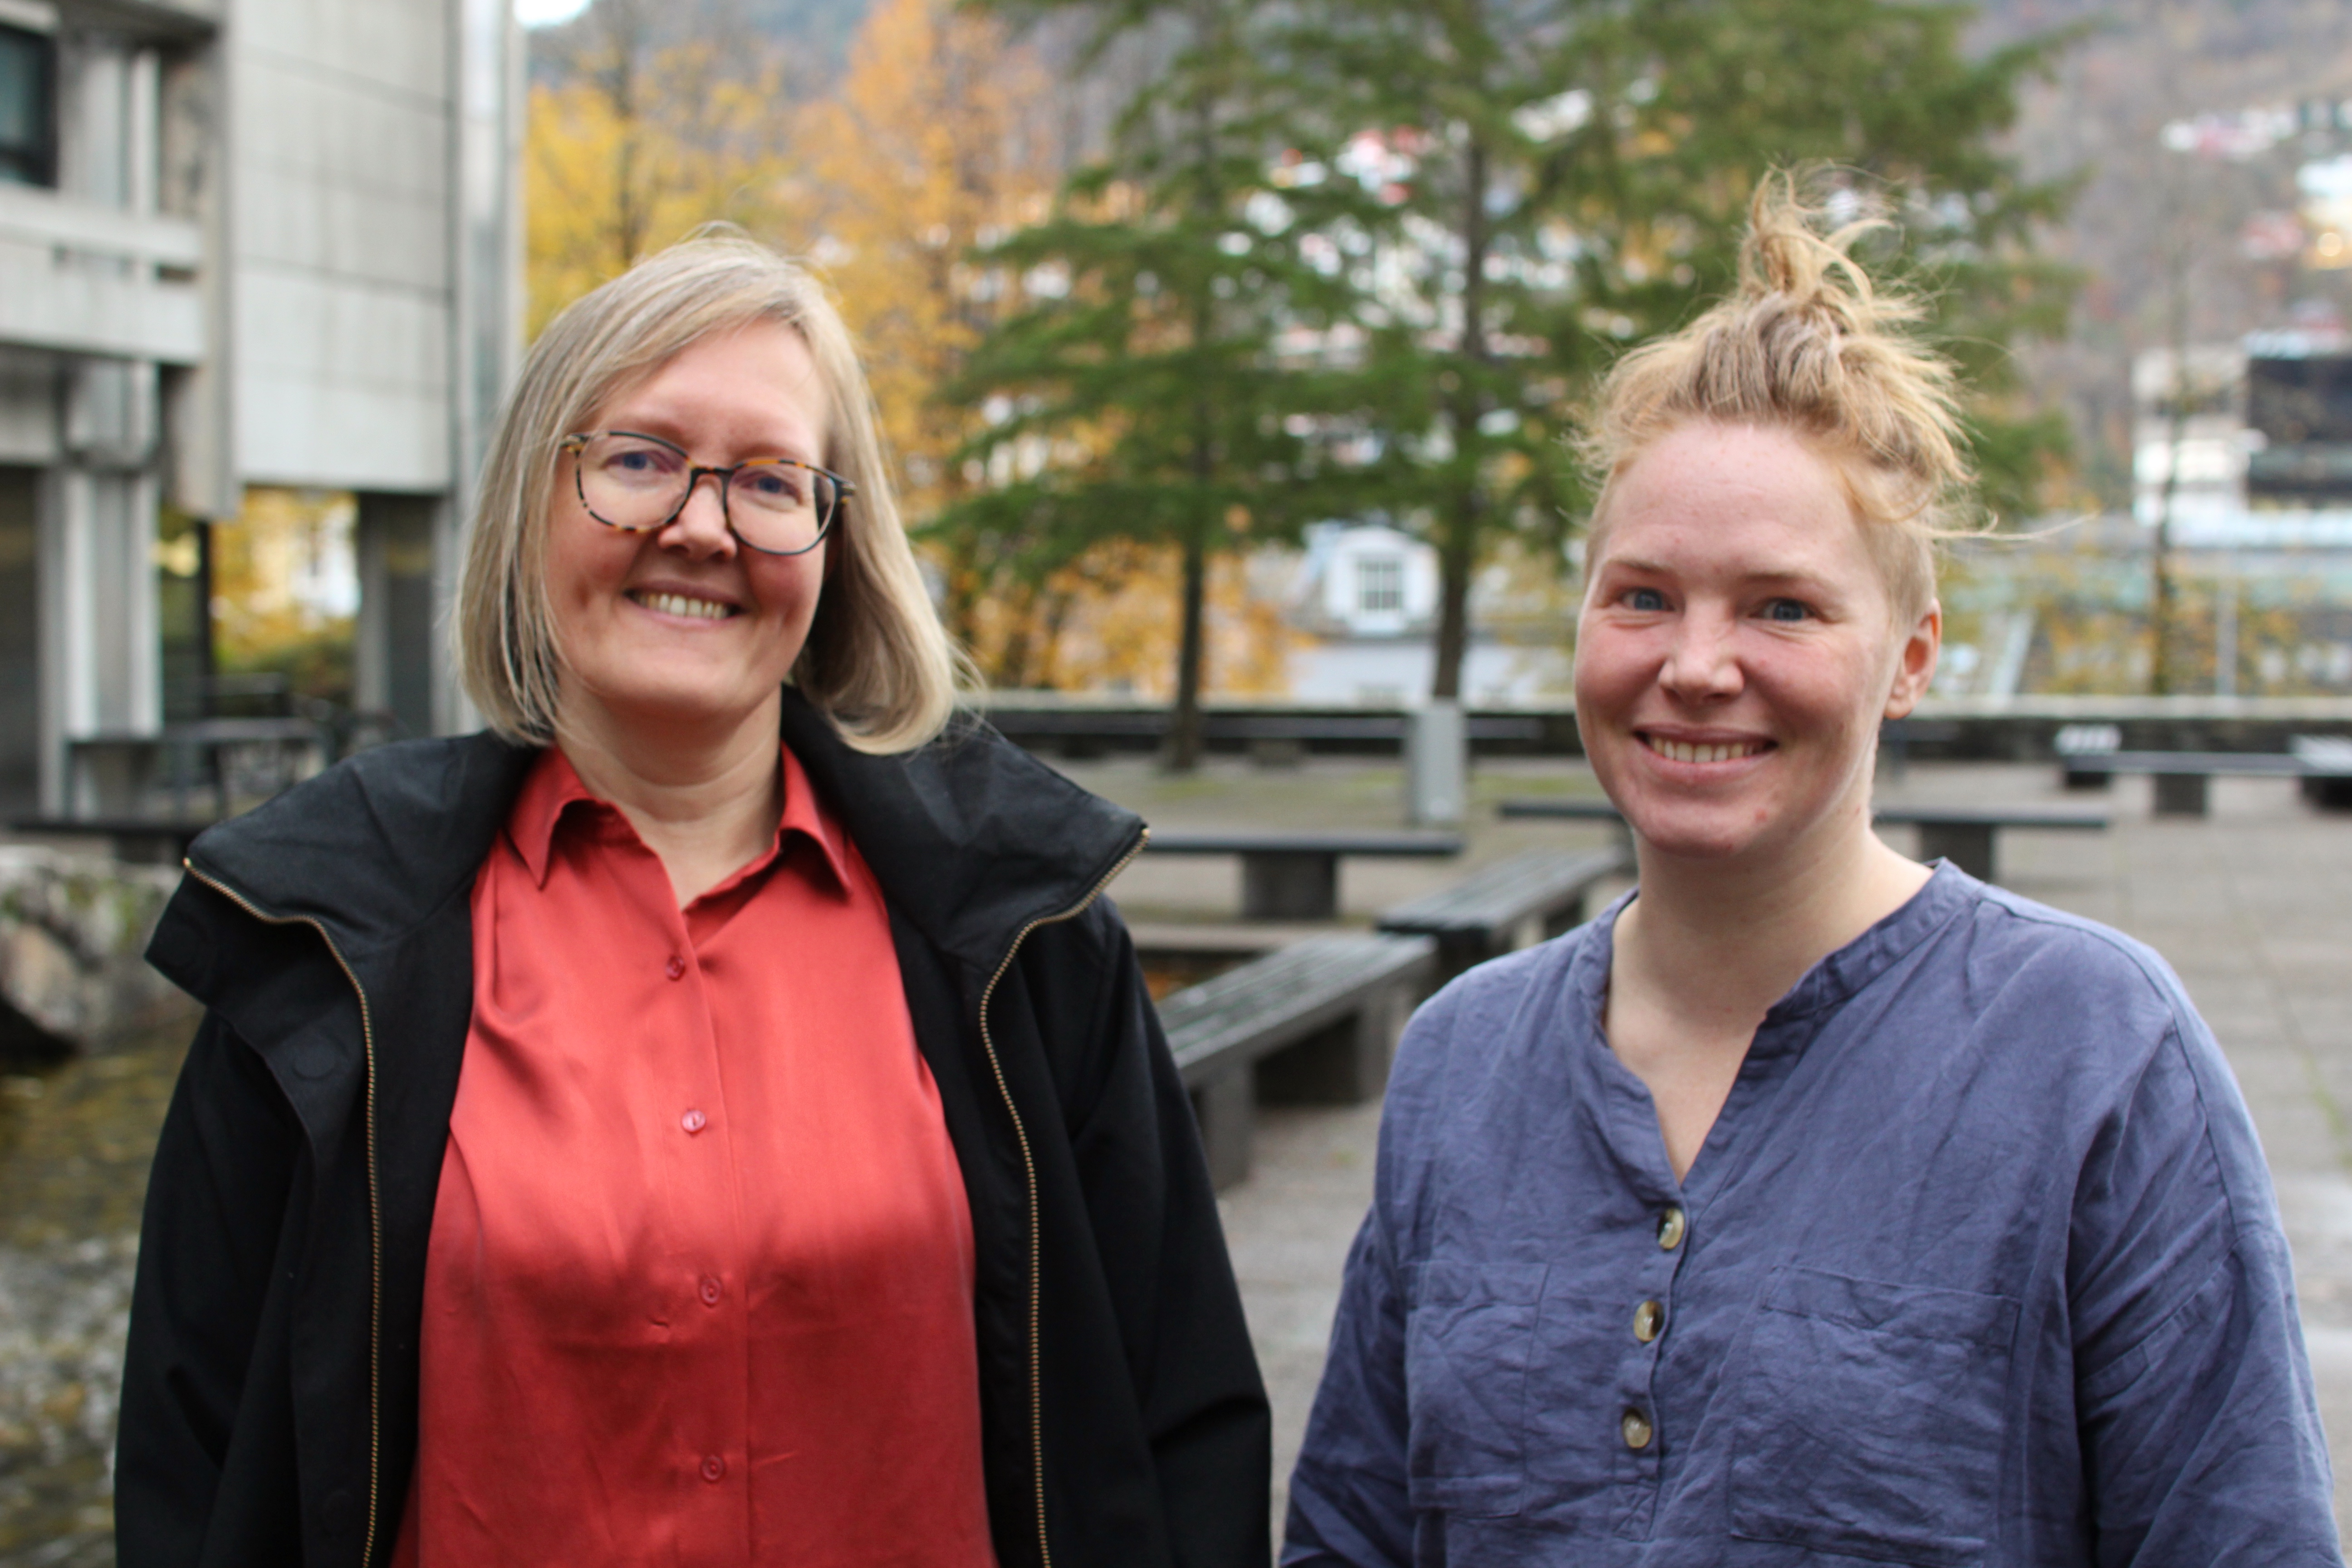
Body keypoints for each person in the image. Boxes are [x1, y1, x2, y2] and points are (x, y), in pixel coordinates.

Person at [116, 233, 1269, 1568]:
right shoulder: (318, 944)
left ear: (837, 538)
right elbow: (193, 1457)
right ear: (532, 503)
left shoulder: (1027, 934)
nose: (704, 526)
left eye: (770, 480)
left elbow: (1178, 1413)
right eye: (639, 460)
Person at [1283, 178, 2341, 1566]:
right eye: (1643, 595)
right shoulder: (1461, 1066)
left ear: (1909, 656)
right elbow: (1351, 1537)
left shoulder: (2092, 1051)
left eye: (1783, 607)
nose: (1697, 665)